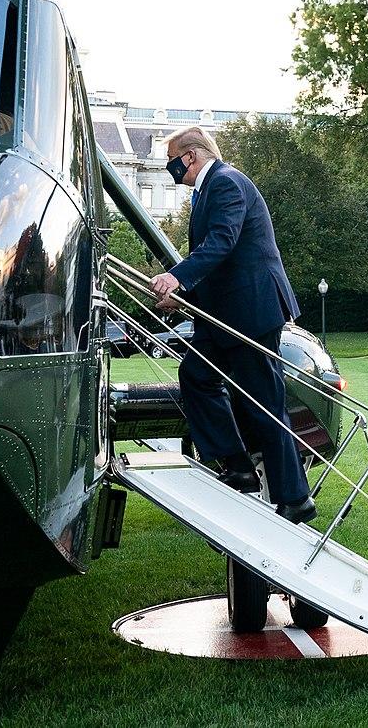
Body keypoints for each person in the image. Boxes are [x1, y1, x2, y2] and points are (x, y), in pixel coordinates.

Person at [148, 127, 315, 524]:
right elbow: (218, 261)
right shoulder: (208, 192)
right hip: (224, 314)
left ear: (189, 157)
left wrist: (177, 277)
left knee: (262, 402)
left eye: (171, 160)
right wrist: (180, 294)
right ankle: (238, 466)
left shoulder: (226, 183)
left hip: (252, 309)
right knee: (196, 375)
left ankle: (295, 497)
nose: (169, 168)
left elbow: (221, 242)